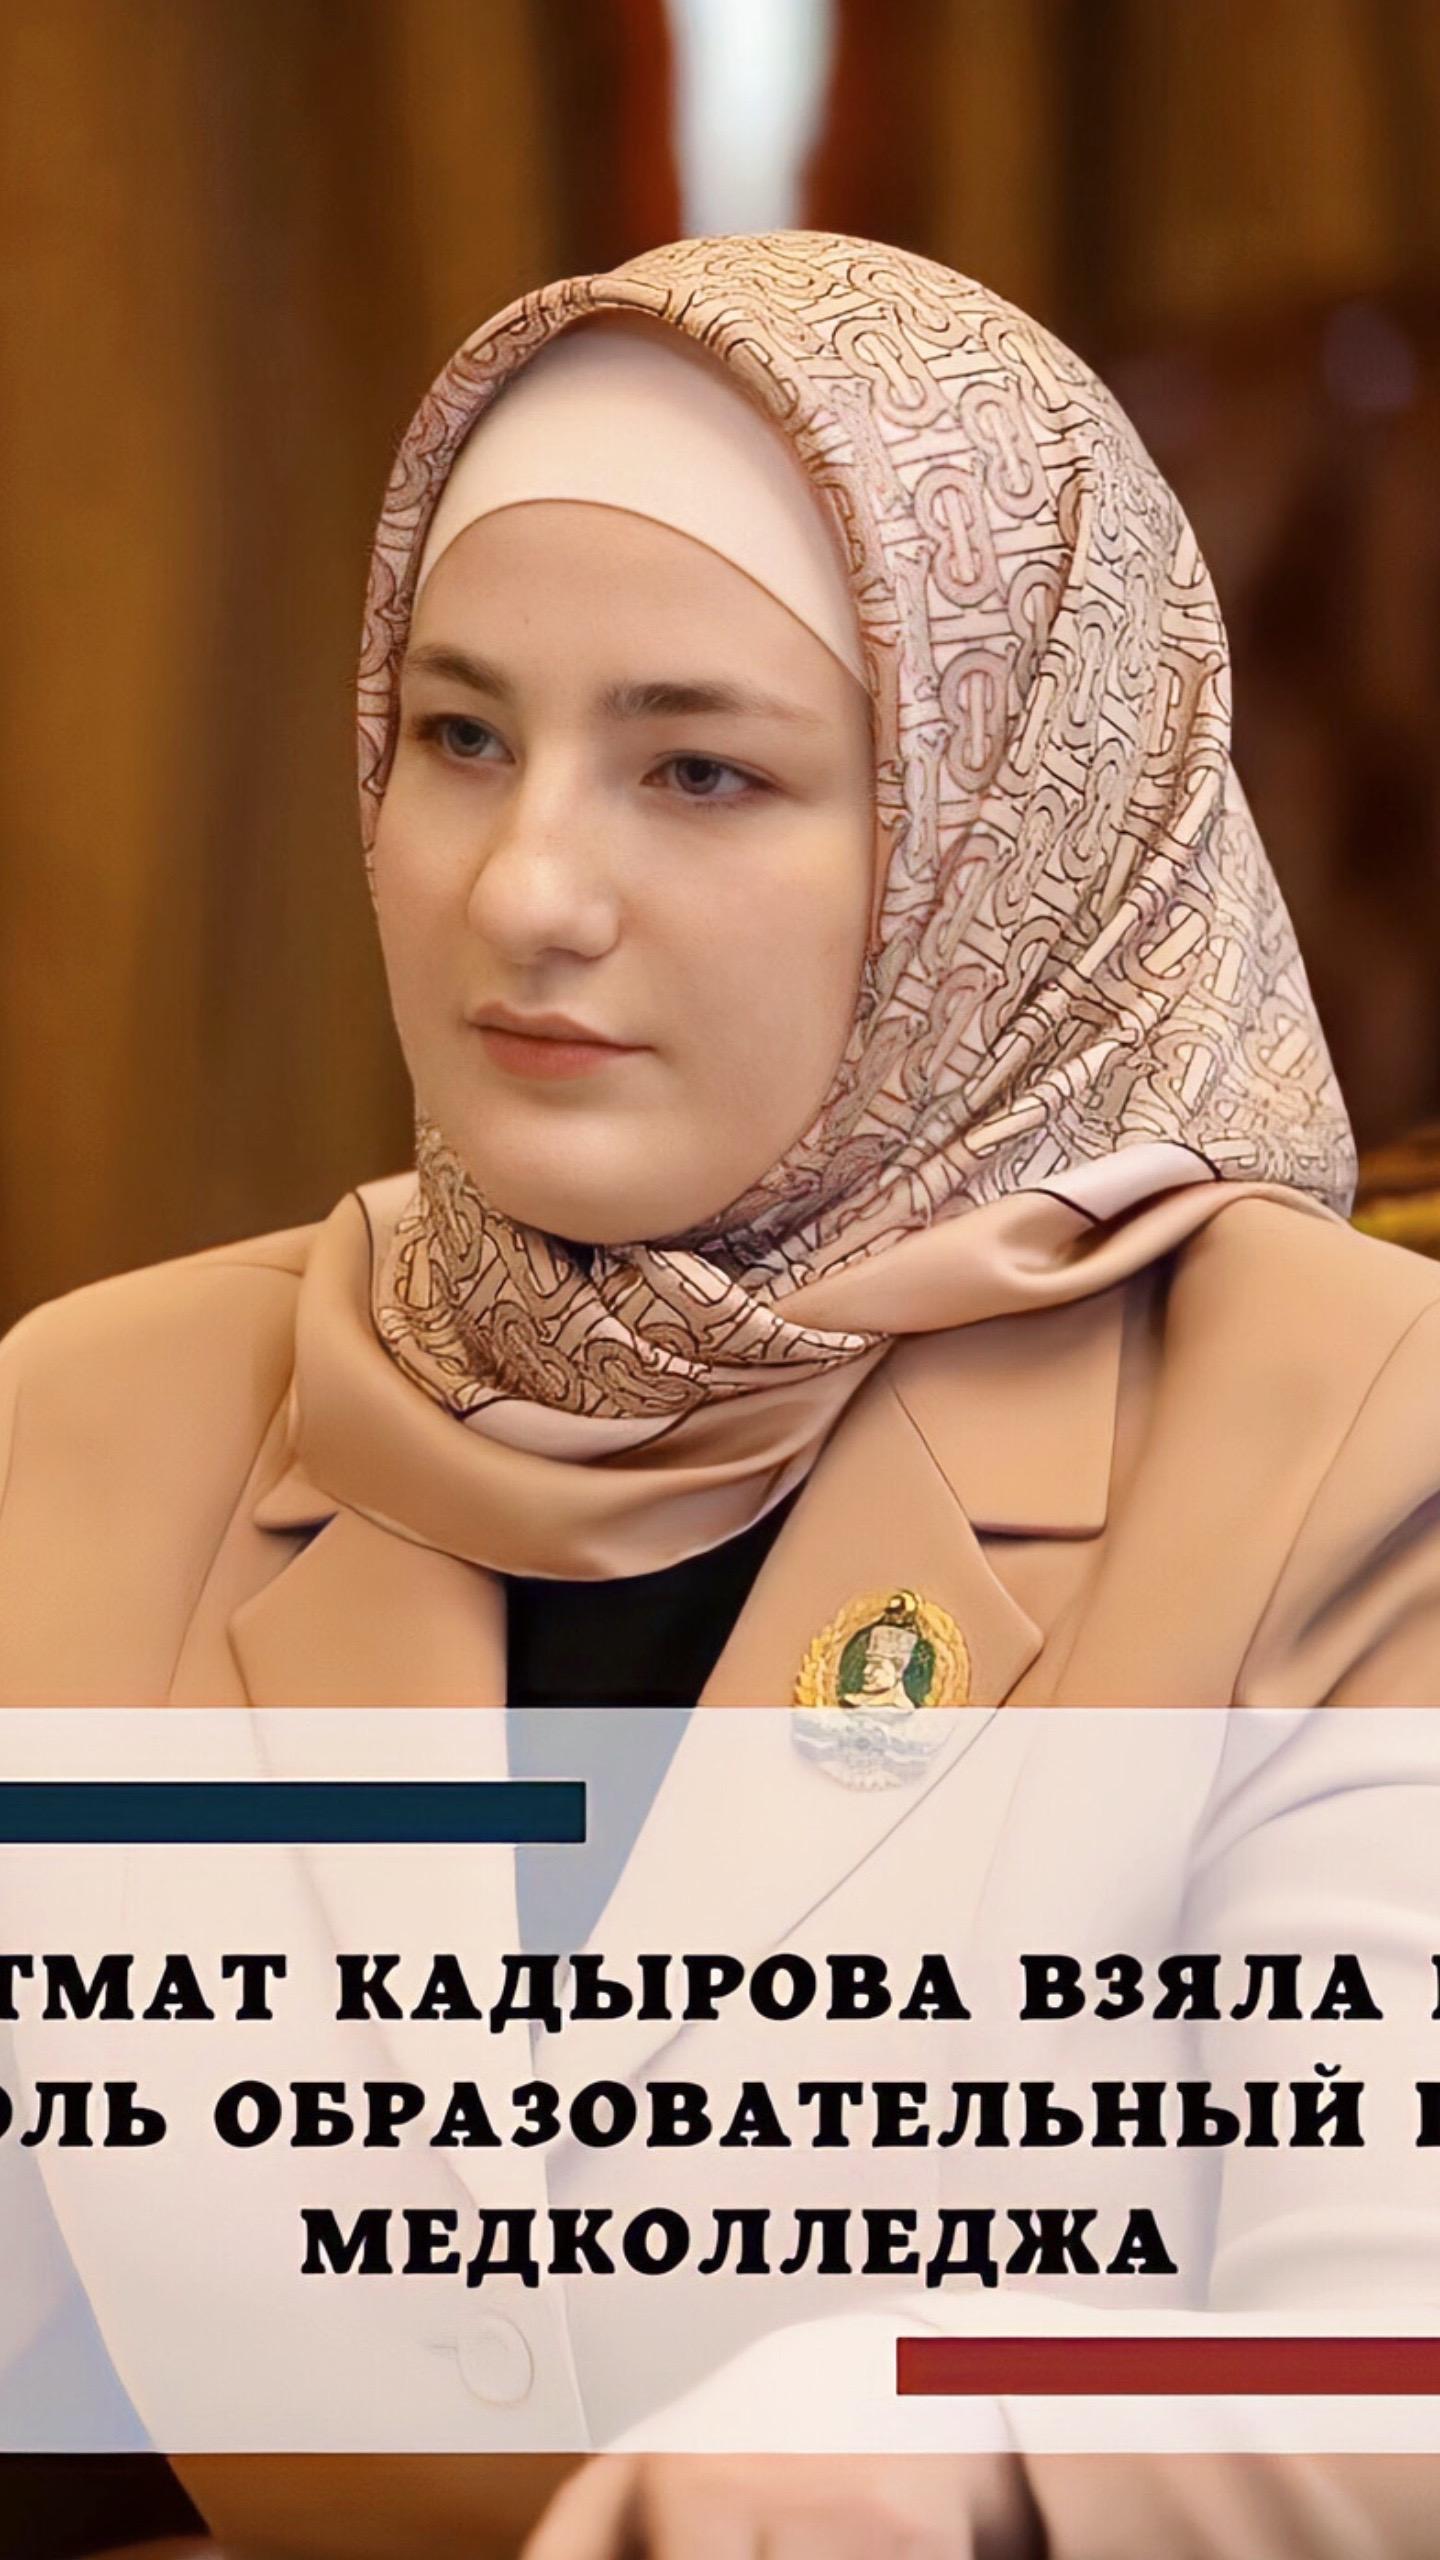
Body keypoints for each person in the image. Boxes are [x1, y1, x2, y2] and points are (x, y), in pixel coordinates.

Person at [3, 230, 1440, 2556]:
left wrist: (961, 2415)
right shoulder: (109, 1416)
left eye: (699, 766)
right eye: (461, 735)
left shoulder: (1348, 1430)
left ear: (1004, 833)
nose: (527, 888)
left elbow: (1396, 2350)